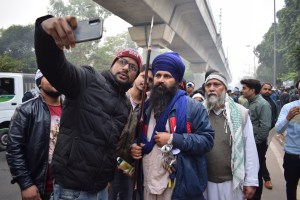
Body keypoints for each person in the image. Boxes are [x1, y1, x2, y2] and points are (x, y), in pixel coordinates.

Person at [34, 15, 142, 199]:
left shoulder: (125, 106)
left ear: (135, 76)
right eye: (122, 62)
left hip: (100, 189)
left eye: (133, 67)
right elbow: (55, 68)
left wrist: (108, 179)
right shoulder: (89, 79)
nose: (126, 68)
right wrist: (45, 34)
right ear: (113, 64)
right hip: (71, 190)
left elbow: (111, 148)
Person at [130, 52, 215, 200]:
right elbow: (136, 136)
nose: (161, 80)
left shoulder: (193, 107)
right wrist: (134, 147)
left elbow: (207, 141)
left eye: (167, 76)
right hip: (147, 183)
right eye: (158, 75)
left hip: (176, 186)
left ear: (177, 81)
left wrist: (173, 138)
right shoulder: (145, 107)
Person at [6, 69, 62, 200]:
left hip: (69, 186)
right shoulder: (25, 110)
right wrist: (26, 184)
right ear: (39, 83)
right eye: (49, 75)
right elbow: (14, 149)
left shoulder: (72, 108)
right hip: (41, 187)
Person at [203, 71, 259, 200]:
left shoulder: (240, 113)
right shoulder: (198, 112)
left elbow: (249, 148)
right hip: (204, 181)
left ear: (225, 88)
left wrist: (250, 181)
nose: (211, 88)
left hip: (232, 182)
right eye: (208, 85)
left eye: (216, 84)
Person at [109, 64, 154, 200]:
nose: (146, 81)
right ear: (136, 76)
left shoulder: (149, 108)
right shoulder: (119, 97)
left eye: (151, 80)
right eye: (143, 76)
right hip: (108, 161)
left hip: (129, 166)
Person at [241, 79, 272, 200]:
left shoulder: (263, 104)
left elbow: (265, 127)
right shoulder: (246, 103)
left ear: (252, 90)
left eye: (244, 88)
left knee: (256, 173)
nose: (242, 90)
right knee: (248, 170)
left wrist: (256, 143)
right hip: (248, 143)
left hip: (258, 144)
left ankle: (256, 196)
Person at [275, 98, 300, 200]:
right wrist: (288, 117)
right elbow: (278, 129)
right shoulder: (289, 107)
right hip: (293, 156)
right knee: (291, 186)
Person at [260, 82, 278, 189]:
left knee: (260, 156)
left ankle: (266, 179)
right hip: (253, 134)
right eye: (265, 89)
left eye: (269, 89)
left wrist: (268, 132)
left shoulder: (273, 104)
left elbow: (275, 119)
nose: (267, 91)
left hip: (266, 134)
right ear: (260, 90)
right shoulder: (254, 101)